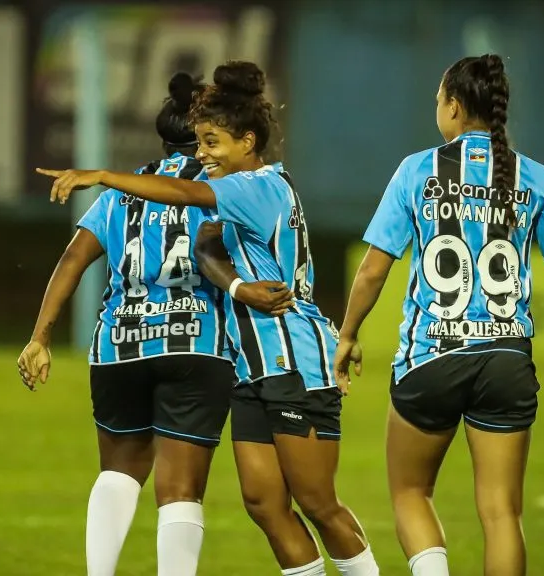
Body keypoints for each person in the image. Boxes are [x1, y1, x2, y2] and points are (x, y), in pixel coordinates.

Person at [36, 61, 381, 576]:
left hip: (292, 361)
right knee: (265, 504)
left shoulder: (259, 186)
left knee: (318, 503)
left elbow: (184, 194)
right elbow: (205, 247)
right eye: (199, 143)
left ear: (247, 141)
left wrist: (104, 175)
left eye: (213, 143)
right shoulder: (235, 196)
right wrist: (240, 286)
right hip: (247, 369)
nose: (202, 156)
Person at [332, 54, 544, 576]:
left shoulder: (418, 170)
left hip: (431, 357)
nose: (436, 108)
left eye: (438, 99)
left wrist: (347, 334)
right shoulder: (534, 177)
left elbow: (373, 270)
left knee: (411, 493)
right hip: (507, 359)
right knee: (502, 513)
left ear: (455, 107)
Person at [17, 71, 293, 576]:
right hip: (196, 344)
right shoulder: (224, 184)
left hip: (120, 343)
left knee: (119, 471)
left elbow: (73, 260)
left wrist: (40, 336)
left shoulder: (123, 191)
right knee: (181, 489)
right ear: (202, 136)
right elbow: (221, 250)